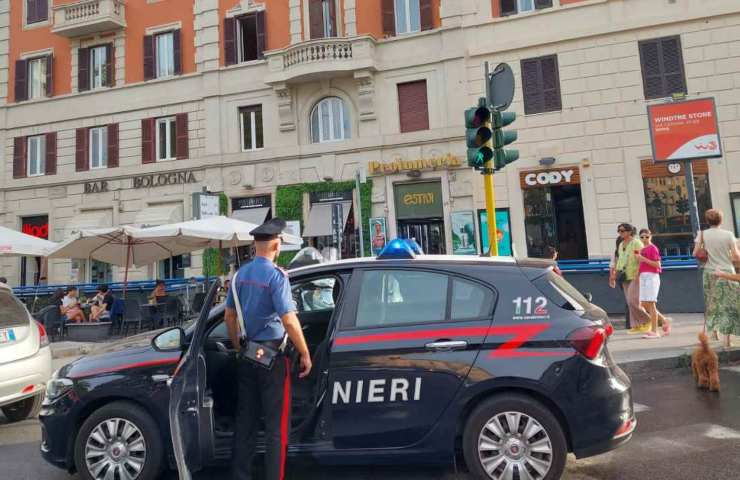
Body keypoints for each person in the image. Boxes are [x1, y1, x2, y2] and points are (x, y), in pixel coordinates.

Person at [225, 218, 312, 480]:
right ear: (277, 244)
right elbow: (289, 319)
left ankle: (240, 475)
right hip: (273, 359)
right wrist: (306, 353)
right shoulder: (276, 277)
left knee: (246, 422)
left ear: (255, 245)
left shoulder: (239, 276)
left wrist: (237, 344)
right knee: (276, 427)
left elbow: (229, 316)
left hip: (248, 354)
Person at [694, 209, 740, 347]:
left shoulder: (702, 234)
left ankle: (714, 333)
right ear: (721, 220)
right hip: (727, 272)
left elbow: (695, 252)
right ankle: (727, 340)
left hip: (709, 272)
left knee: (711, 303)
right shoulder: (728, 234)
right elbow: (737, 256)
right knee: (728, 305)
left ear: (707, 221)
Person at [614, 223, 651, 333]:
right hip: (624, 275)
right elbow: (620, 259)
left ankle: (648, 321)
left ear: (629, 232)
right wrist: (616, 272)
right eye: (619, 231)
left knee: (633, 301)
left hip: (635, 275)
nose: (620, 233)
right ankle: (636, 325)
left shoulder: (636, 242)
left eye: (622, 230)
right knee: (629, 302)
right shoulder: (621, 244)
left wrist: (639, 274)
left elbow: (641, 258)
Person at [636, 229, 672, 338]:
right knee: (644, 303)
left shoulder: (653, 248)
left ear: (650, 237)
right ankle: (664, 321)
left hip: (651, 276)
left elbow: (658, 265)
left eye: (646, 237)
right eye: (642, 237)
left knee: (651, 303)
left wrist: (643, 259)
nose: (644, 239)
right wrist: (638, 274)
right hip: (643, 276)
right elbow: (641, 264)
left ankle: (654, 331)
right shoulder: (642, 249)